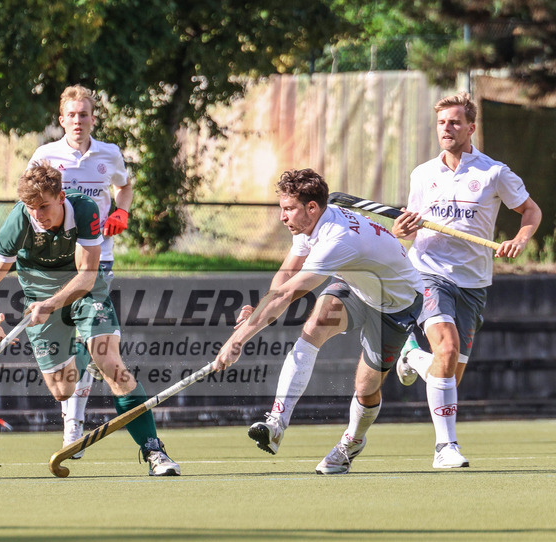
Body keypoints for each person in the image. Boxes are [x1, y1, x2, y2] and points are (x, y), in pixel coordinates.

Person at [0, 161, 179, 475]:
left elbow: (86, 277)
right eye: (31, 207)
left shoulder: (84, 210)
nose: (38, 215)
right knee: (62, 391)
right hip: (39, 302)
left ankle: (154, 450)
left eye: (44, 206)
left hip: (84, 295)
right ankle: (84, 354)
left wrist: (52, 304)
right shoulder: (19, 221)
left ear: (60, 198)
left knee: (113, 365)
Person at [214, 169, 423, 475]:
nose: (283, 218)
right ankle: (276, 424)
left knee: (366, 390)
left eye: (289, 209)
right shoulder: (308, 227)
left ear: (312, 208)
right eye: (282, 209)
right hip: (356, 286)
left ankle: (352, 442)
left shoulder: (336, 239)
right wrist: (257, 310)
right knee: (312, 329)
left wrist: (237, 340)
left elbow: (287, 295)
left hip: (397, 303)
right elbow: (284, 277)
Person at [392, 93, 541, 469]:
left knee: (449, 370)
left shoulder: (493, 172)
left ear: (471, 127)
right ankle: (446, 448)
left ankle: (411, 356)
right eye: (442, 122)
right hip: (428, 272)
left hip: (473, 283)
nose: (447, 128)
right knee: (446, 350)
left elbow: (530, 210)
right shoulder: (423, 174)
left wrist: (519, 240)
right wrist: (401, 229)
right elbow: (409, 228)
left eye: (455, 122)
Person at [26, 85, 132, 451]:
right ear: (61, 119)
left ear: (93, 118)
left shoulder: (109, 154)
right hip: (56, 263)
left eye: (83, 114)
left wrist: (122, 210)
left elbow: (125, 186)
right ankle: (72, 420)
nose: (77, 121)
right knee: (74, 347)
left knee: (89, 343)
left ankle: (73, 425)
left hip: (97, 259)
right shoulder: (45, 155)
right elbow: (28, 201)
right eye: (71, 115)